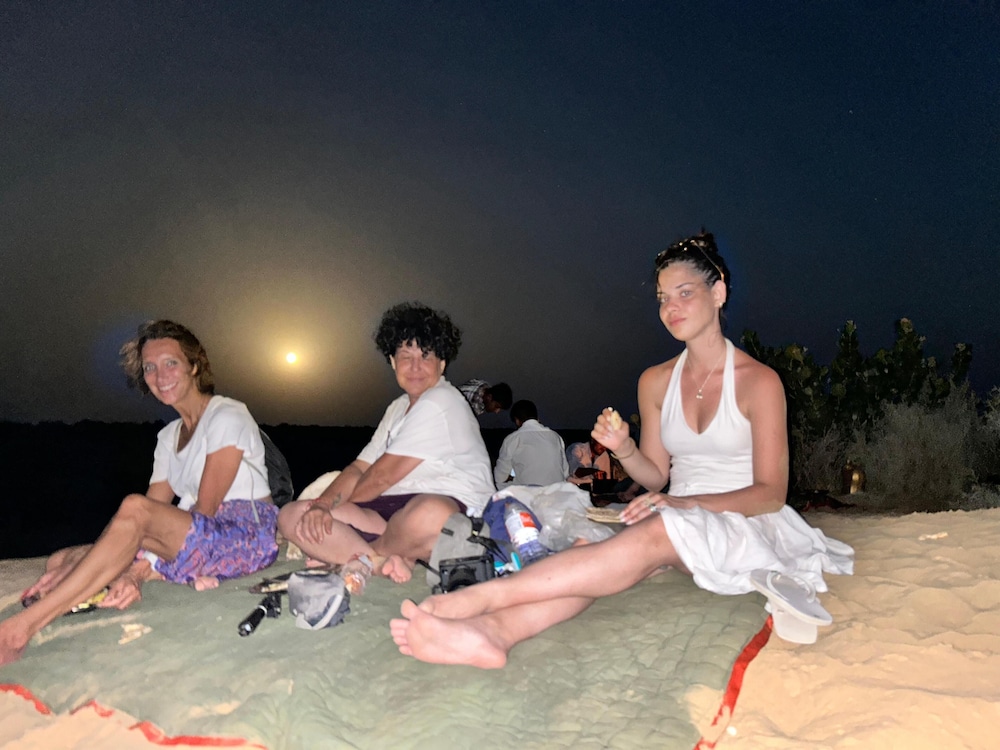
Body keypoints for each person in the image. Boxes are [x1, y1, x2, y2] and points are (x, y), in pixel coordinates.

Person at [390, 231, 854, 668]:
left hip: (743, 520)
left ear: (718, 292)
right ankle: (496, 633)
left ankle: (475, 601)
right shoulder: (655, 381)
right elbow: (656, 476)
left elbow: (770, 494)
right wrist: (626, 448)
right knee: (593, 549)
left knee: (653, 535)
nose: (671, 307)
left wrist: (682, 504)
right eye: (663, 298)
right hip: (676, 517)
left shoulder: (759, 382)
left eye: (685, 293)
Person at [1, 320, 278, 665]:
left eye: (171, 363)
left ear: (194, 366)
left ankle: (20, 629)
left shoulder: (227, 414)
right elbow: (151, 510)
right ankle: (86, 584)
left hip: (244, 536)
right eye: (150, 367)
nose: (160, 376)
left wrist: (138, 571)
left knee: (131, 512)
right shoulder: (169, 436)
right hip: (196, 535)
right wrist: (88, 562)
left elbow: (204, 509)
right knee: (62, 559)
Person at [277, 302, 496, 587]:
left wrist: (341, 516)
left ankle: (360, 555)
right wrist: (322, 507)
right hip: (388, 516)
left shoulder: (442, 400)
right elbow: (359, 469)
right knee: (293, 515)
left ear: (442, 364)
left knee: (429, 514)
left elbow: (380, 478)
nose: (415, 367)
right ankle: (381, 562)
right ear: (393, 361)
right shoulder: (398, 407)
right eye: (406, 356)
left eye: (426, 356)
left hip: (447, 508)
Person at [494, 400, 569, 487]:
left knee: (498, 485)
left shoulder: (513, 438)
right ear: (537, 418)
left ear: (517, 421)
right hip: (557, 491)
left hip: (529, 492)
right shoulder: (556, 437)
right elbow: (565, 472)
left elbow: (499, 477)